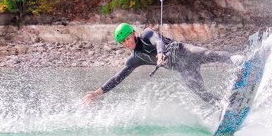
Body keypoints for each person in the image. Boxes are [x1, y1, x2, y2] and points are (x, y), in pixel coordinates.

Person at [80, 23, 243, 106]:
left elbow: (158, 41)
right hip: (184, 68)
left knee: (209, 54)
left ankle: (237, 60)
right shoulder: (135, 58)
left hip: (185, 52)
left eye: (128, 38)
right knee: (200, 92)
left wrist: (160, 53)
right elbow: (118, 77)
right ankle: (224, 105)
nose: (127, 43)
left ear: (133, 34)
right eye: (123, 42)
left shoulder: (146, 34)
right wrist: (95, 93)